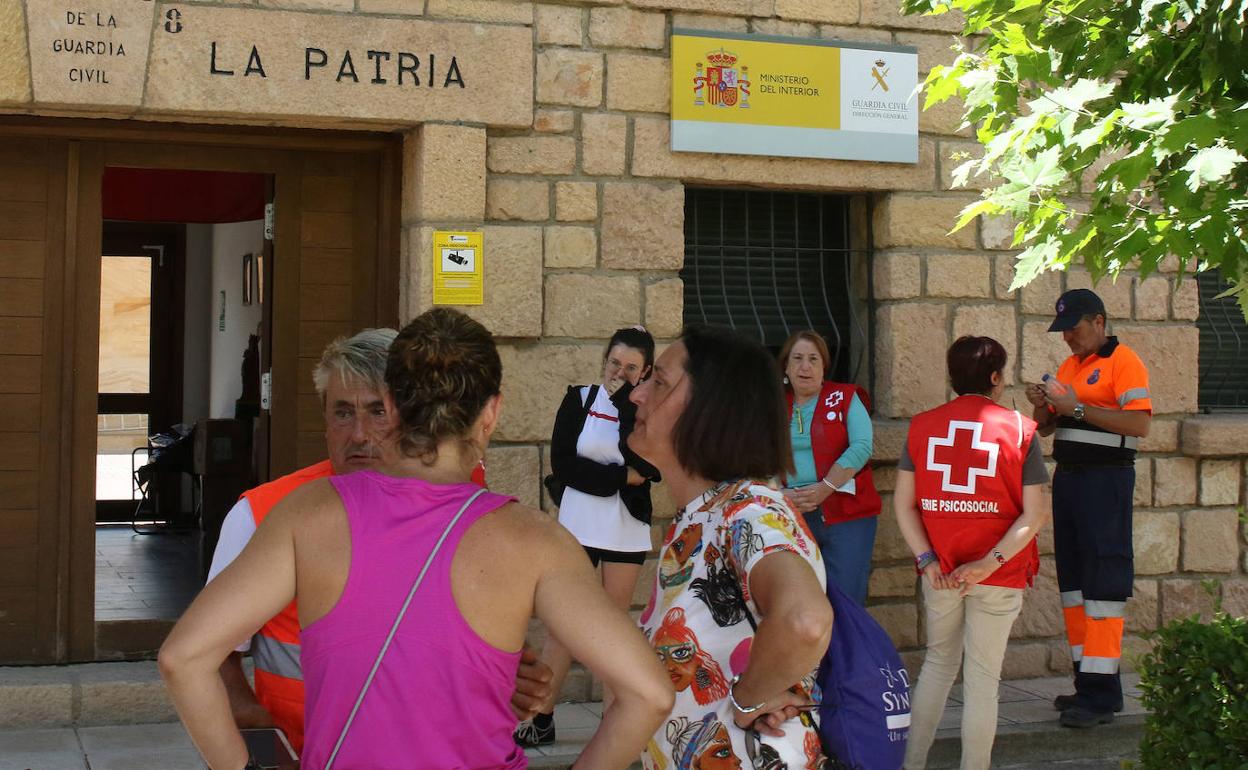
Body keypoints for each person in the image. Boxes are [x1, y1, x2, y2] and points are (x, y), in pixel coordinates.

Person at [161, 308, 673, 769]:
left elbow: (183, 658)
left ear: (393, 406)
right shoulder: (534, 538)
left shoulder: (306, 514)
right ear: (491, 412)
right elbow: (649, 694)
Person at [204, 329, 542, 753]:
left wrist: (510, 675)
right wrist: (261, 748)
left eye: (378, 412)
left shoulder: (464, 502)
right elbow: (208, 658)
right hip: (309, 754)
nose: (360, 434)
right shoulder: (260, 513)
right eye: (342, 412)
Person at [628, 325, 834, 769]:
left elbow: (806, 619)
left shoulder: (750, 511)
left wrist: (747, 699)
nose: (637, 395)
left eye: (659, 381)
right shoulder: (707, 514)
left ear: (712, 408)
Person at [894, 335, 1051, 770]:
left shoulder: (922, 427)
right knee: (983, 682)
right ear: (996, 377)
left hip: (940, 573)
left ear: (951, 377)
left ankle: (911, 766)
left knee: (937, 667)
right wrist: (988, 564)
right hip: (998, 576)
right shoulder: (1020, 430)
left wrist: (926, 560)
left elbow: (903, 505)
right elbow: (1036, 514)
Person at [516, 326, 662, 748]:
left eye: (631, 368)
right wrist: (619, 478)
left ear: (645, 371)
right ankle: (541, 716)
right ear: (604, 361)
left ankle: (614, 721)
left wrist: (623, 406)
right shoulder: (577, 399)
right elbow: (564, 466)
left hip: (624, 529)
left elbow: (647, 466)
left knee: (614, 626)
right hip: (578, 525)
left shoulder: (646, 412)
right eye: (614, 362)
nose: (620, 371)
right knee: (564, 625)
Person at [1025, 288, 1151, 729]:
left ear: (1099, 322)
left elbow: (1140, 424)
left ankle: (1100, 698)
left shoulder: (1124, 361)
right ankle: (1090, 685)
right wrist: (1043, 408)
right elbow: (1044, 431)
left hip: (1106, 480)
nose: (1067, 339)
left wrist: (1075, 407)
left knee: (1103, 583)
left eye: (1074, 330)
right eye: (1063, 331)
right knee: (1075, 584)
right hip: (1072, 479)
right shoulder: (1070, 366)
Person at [778, 330, 881, 606]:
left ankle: (843, 652)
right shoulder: (772, 405)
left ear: (824, 366)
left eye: (813, 359)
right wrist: (781, 494)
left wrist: (825, 488)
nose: (805, 366)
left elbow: (861, 447)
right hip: (790, 514)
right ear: (786, 366)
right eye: (797, 358)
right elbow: (755, 455)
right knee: (797, 603)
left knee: (845, 601)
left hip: (846, 514)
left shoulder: (846, 397)